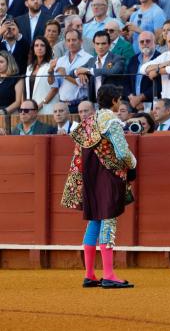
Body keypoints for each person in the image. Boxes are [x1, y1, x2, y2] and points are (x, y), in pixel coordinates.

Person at [60, 84, 136, 289]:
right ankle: (109, 274)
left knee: (94, 220)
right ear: (114, 101)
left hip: (90, 177)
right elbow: (122, 153)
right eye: (119, 100)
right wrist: (133, 165)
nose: (120, 103)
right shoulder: (111, 122)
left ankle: (90, 274)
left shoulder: (89, 122)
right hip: (109, 177)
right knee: (108, 220)